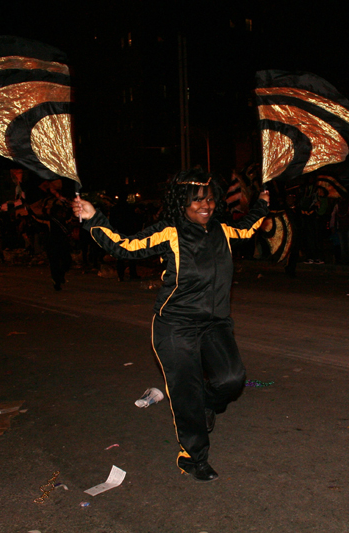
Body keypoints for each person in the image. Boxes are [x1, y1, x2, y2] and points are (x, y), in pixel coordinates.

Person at [73, 169, 269, 482]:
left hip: (215, 323)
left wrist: (262, 203)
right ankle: (193, 457)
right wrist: (93, 217)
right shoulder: (170, 231)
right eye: (196, 201)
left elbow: (248, 228)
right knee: (185, 393)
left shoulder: (223, 229)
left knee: (232, 380)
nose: (205, 205)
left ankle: (206, 403)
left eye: (209, 199)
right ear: (182, 204)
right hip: (176, 326)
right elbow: (125, 246)